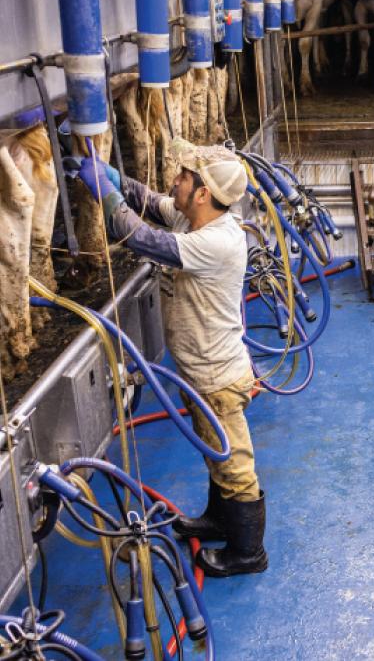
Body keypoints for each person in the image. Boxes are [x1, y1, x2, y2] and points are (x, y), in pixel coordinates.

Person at [77, 138, 267, 578]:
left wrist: (103, 194)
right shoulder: (195, 215)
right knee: (216, 454)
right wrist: (112, 176)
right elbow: (149, 202)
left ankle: (249, 553)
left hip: (217, 377)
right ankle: (220, 520)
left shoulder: (217, 241)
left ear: (203, 193)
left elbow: (141, 238)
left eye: (183, 177)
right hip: (204, 371)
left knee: (234, 462)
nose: (174, 182)